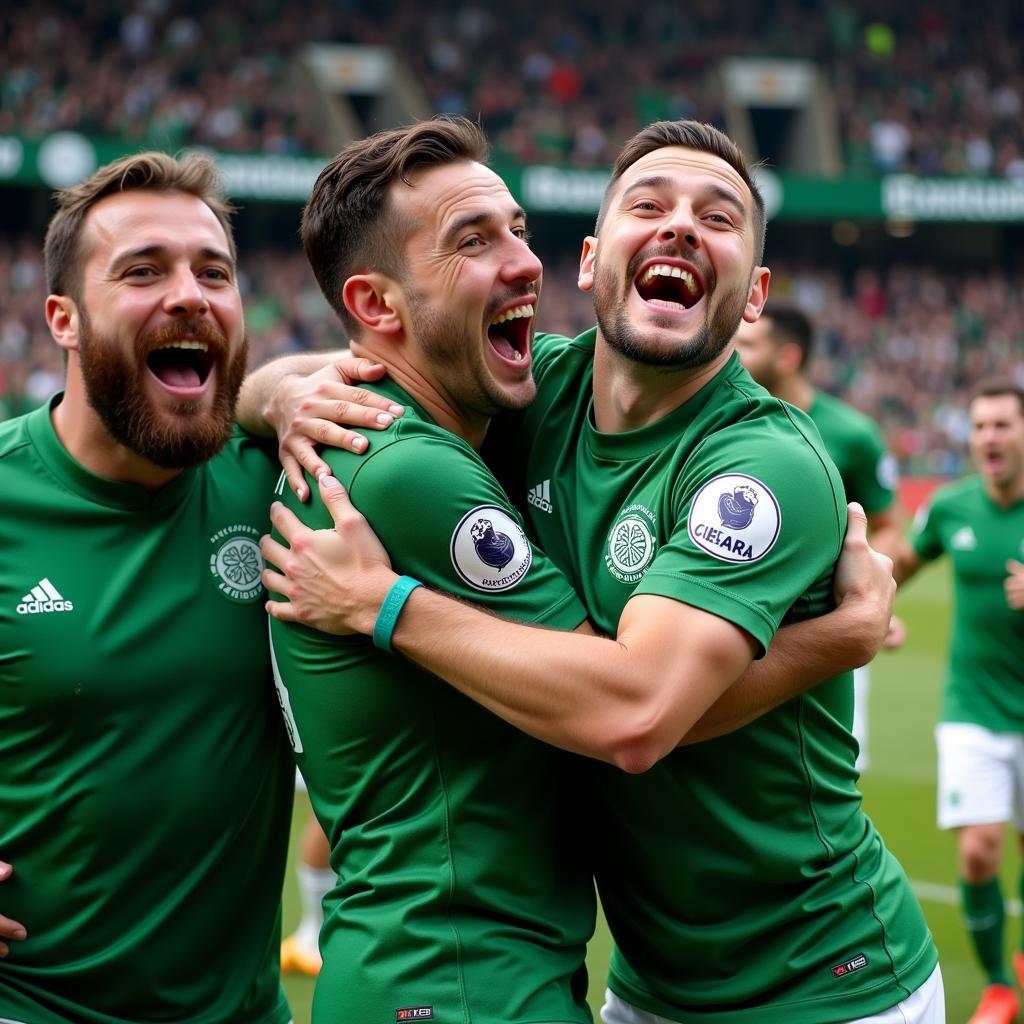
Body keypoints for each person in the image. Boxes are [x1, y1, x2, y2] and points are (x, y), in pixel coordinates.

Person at [261, 119, 940, 1023]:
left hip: (820, 983)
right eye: (649, 205)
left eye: (720, 219)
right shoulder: (534, 393)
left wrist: (384, 604)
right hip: (648, 984)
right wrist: (270, 393)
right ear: (588, 262)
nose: (681, 228)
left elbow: (637, 714)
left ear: (754, 298)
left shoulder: (761, 468)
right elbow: (389, 361)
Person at [0, 151, 398, 1023]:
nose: (191, 294)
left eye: (213, 271)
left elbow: (408, 371)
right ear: (62, 319)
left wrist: (278, 392)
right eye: (143, 270)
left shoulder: (284, 478)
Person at [892, 381, 1024, 1024]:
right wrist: (868, 610)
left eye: (1002, 425)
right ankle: (1000, 984)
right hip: (972, 705)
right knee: (979, 851)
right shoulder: (951, 507)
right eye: (979, 427)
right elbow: (900, 567)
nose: (988, 439)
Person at [734, 303, 903, 771]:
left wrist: (868, 595)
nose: (733, 351)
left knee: (830, 770)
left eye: (747, 344)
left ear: (787, 357)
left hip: (823, 634)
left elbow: (889, 527)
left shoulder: (853, 435)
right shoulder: (724, 418)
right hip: (740, 620)